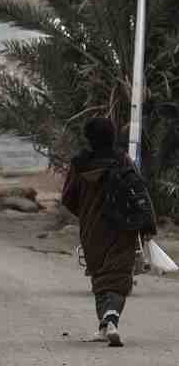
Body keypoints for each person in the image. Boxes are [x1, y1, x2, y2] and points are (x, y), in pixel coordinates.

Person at [62, 118, 151, 347]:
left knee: (100, 275)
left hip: (93, 228)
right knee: (119, 275)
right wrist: (147, 224)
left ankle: (104, 325)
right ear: (112, 136)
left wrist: (86, 213)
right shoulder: (123, 160)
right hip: (122, 226)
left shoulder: (79, 164)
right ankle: (111, 319)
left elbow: (68, 198)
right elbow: (139, 190)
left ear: (89, 138)